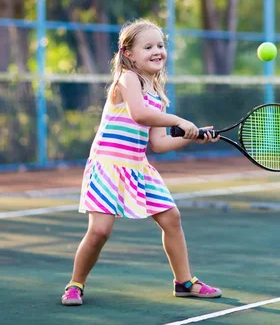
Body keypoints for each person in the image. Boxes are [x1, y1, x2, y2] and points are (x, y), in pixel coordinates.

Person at [61, 19, 222, 306]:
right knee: (99, 231)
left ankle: (184, 282)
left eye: (160, 45)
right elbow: (138, 114)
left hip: (138, 167)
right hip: (107, 165)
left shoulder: (158, 95)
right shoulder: (127, 79)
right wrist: (180, 121)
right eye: (148, 46)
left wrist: (192, 137)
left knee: (171, 218)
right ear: (129, 54)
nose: (157, 51)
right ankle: (75, 284)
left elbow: (158, 144)